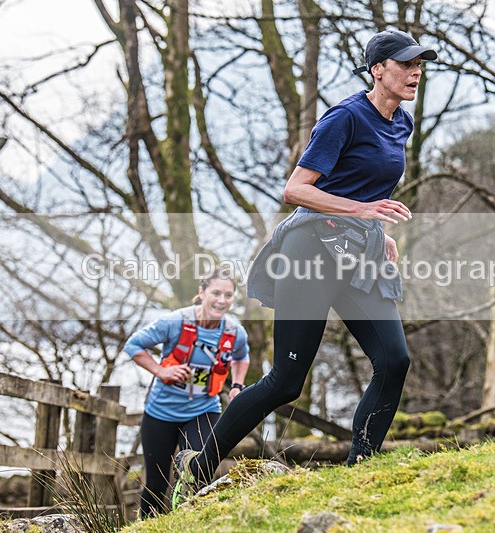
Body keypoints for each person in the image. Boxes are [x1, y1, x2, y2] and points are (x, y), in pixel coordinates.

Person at [174, 29, 437, 499]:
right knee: (286, 381)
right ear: (378, 69)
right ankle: (199, 465)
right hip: (310, 251)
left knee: (394, 360)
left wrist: (381, 231)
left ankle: (362, 471)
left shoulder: (402, 123)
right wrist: (362, 212)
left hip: (358, 255)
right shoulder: (345, 118)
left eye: (419, 64)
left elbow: (370, 188)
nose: (415, 71)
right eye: (405, 63)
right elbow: (296, 189)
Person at [123, 267, 249, 517]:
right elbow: (133, 345)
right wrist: (161, 371)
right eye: (216, 293)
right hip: (161, 413)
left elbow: (241, 356)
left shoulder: (234, 332)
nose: (222, 301)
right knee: (157, 482)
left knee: (200, 471)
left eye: (228, 295)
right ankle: (145, 526)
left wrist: (236, 385)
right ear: (201, 292)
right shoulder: (176, 321)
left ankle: (192, 521)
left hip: (203, 409)